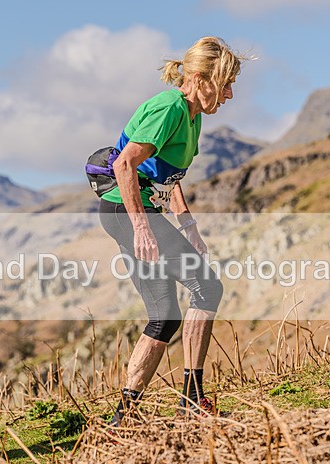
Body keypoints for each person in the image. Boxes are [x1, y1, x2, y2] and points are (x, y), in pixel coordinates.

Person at [98, 37, 246, 425]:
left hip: (137, 212)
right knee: (207, 288)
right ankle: (191, 400)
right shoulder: (170, 108)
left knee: (165, 315)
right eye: (225, 84)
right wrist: (142, 228)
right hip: (125, 211)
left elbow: (167, 174)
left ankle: (124, 418)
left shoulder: (192, 115)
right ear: (199, 78)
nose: (229, 94)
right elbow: (125, 166)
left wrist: (188, 224)